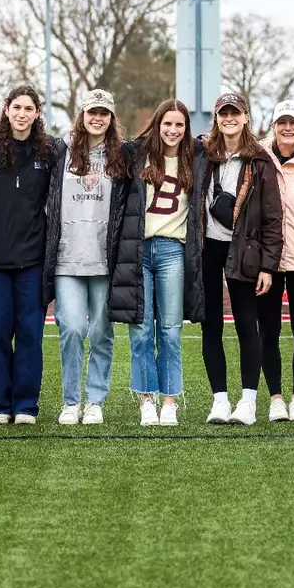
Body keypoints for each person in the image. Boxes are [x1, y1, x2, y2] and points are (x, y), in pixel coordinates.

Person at [194, 92, 283, 426]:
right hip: (208, 248)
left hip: (244, 250)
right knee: (211, 325)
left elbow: (273, 218)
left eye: (235, 113)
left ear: (246, 116)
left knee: (248, 325)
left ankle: (248, 401)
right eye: (223, 113)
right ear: (216, 118)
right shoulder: (203, 154)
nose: (229, 119)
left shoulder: (260, 160)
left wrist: (268, 265)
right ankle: (219, 399)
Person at [44, 89, 130, 426]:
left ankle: (95, 400)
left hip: (104, 259)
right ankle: (70, 400)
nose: (97, 118)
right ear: (82, 115)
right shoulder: (60, 150)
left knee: (100, 332)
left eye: (104, 113)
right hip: (67, 257)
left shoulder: (121, 155)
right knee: (72, 328)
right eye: (92, 112)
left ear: (111, 119)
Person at [122, 98, 204, 427]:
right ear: (157, 125)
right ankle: (146, 399)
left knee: (170, 331)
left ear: (187, 129)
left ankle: (170, 400)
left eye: (179, 125)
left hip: (173, 251)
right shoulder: (137, 154)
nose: (172, 130)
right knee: (141, 331)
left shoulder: (196, 158)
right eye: (167, 124)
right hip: (139, 250)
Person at [0, 85, 55, 425]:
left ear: (38, 113)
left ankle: (25, 405)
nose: (22, 114)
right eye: (17, 107)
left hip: (33, 262)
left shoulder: (49, 152)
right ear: (6, 108)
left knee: (29, 334)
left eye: (29, 108)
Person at [258, 100, 294, 422]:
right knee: (268, 331)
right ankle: (276, 398)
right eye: (282, 122)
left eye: (293, 122)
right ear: (274, 126)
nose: (287, 128)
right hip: (267, 261)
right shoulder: (258, 156)